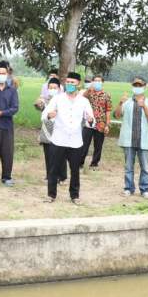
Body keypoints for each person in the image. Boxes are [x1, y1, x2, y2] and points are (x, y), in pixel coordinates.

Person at [41, 71, 94, 204]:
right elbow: (44, 116)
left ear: (78, 84)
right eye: (68, 82)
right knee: (53, 168)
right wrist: (49, 116)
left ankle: (74, 195)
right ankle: (51, 194)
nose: (70, 84)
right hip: (58, 139)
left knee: (75, 170)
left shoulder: (84, 101)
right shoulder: (57, 99)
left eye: (73, 83)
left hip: (75, 141)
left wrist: (90, 119)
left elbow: (91, 121)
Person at [114, 76, 148, 198]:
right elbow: (117, 115)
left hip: (143, 139)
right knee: (128, 166)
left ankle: (145, 189)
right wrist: (120, 102)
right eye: (135, 85)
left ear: (145, 86)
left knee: (145, 167)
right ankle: (128, 188)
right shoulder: (126, 102)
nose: (137, 88)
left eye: (140, 85)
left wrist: (144, 106)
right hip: (128, 139)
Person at [35, 78, 65, 182]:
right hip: (47, 129)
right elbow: (39, 105)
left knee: (59, 154)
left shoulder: (64, 100)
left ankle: (61, 176)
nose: (52, 89)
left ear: (59, 88)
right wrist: (39, 102)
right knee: (48, 154)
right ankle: (49, 175)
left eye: (54, 87)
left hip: (59, 130)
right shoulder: (45, 99)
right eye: (50, 88)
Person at [81, 74, 112, 169]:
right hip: (88, 122)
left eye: (99, 81)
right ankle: (80, 162)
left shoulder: (106, 95)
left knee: (98, 145)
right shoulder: (89, 93)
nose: (97, 82)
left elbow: (108, 110)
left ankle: (94, 163)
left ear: (102, 82)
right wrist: (89, 88)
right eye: (95, 81)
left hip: (101, 123)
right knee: (84, 143)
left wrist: (107, 124)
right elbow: (82, 98)